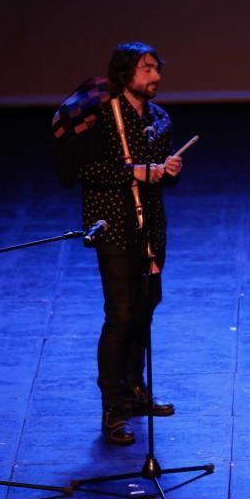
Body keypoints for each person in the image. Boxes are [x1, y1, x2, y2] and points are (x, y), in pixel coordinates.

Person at [78, 42, 183, 445]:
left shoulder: (159, 118)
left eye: (157, 69)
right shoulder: (103, 117)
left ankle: (136, 390)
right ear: (126, 74)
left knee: (144, 308)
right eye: (147, 69)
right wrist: (140, 170)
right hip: (115, 225)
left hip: (150, 226)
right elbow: (88, 168)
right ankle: (111, 407)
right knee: (120, 314)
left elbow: (158, 177)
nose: (155, 77)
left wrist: (169, 170)